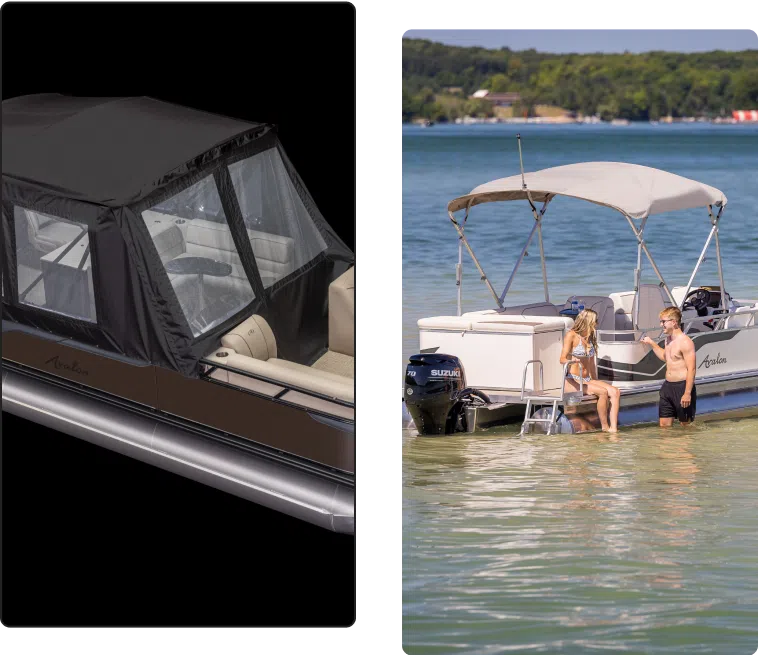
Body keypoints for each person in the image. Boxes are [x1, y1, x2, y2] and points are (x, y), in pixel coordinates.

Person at [559, 308, 621, 433]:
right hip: (573, 379)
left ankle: (614, 428)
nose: (597, 324)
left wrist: (595, 380)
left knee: (615, 392)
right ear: (588, 321)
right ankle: (605, 427)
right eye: (595, 321)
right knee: (603, 392)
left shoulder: (590, 336)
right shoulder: (571, 335)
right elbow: (562, 358)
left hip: (587, 379)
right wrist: (572, 362)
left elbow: (591, 363)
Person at [641, 307, 697, 427]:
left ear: (674, 322)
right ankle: (668, 446)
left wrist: (687, 393)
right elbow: (666, 357)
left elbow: (691, 369)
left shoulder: (686, 342)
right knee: (664, 426)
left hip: (682, 387)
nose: (661, 324)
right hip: (668, 387)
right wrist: (652, 343)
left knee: (685, 426)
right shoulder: (668, 340)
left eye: (663, 321)